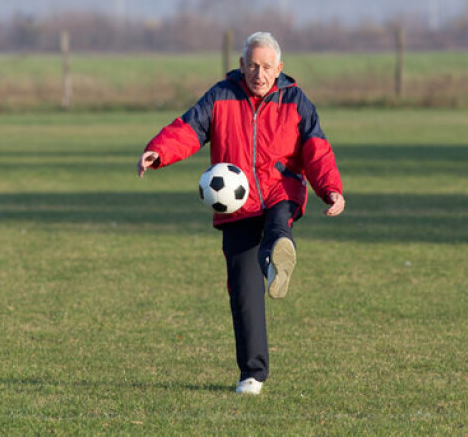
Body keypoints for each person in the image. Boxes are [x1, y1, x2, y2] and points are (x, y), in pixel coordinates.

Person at [136, 32, 345, 395]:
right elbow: (189, 128)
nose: (258, 73)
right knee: (244, 292)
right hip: (235, 205)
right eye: (252, 65)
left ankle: (277, 255)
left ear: (279, 68)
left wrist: (331, 189)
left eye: (266, 67)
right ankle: (252, 373)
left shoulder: (295, 101)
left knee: (279, 227)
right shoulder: (221, 96)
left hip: (282, 191)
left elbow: (316, 148)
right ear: (241, 65)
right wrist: (158, 152)